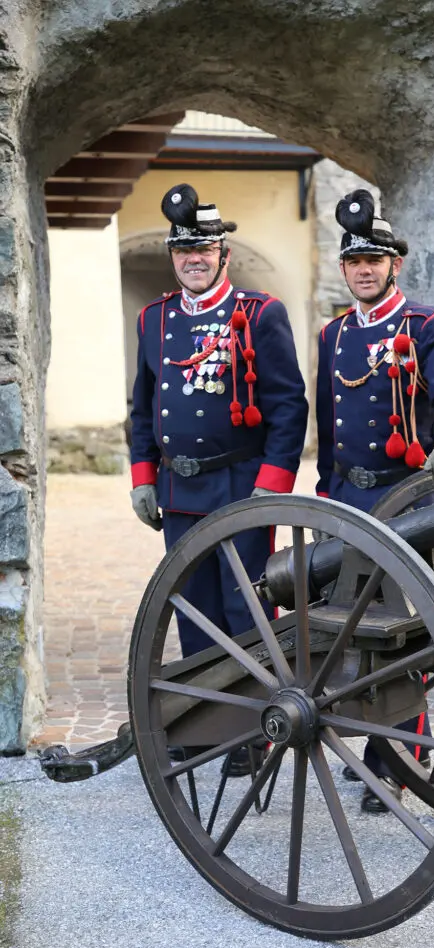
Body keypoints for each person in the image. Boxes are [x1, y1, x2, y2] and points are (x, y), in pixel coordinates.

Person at [130, 183, 308, 771]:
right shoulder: (154, 320)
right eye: (184, 250)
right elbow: (142, 406)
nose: (194, 258)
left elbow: (288, 404)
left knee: (246, 610)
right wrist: (142, 476)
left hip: (240, 488)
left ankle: (256, 729)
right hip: (180, 492)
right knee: (193, 606)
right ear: (173, 257)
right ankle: (208, 723)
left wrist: (273, 483)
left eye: (204, 248)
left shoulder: (259, 314)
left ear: (223, 253)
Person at [315, 188, 434, 812]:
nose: (365, 271)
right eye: (355, 262)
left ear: (395, 267)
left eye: (376, 261)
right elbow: (329, 434)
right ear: (344, 269)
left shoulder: (427, 327)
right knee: (352, 637)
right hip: (349, 503)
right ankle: (367, 752)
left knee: (401, 639)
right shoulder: (333, 337)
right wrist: (323, 503)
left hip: (406, 501)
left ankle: (401, 763)